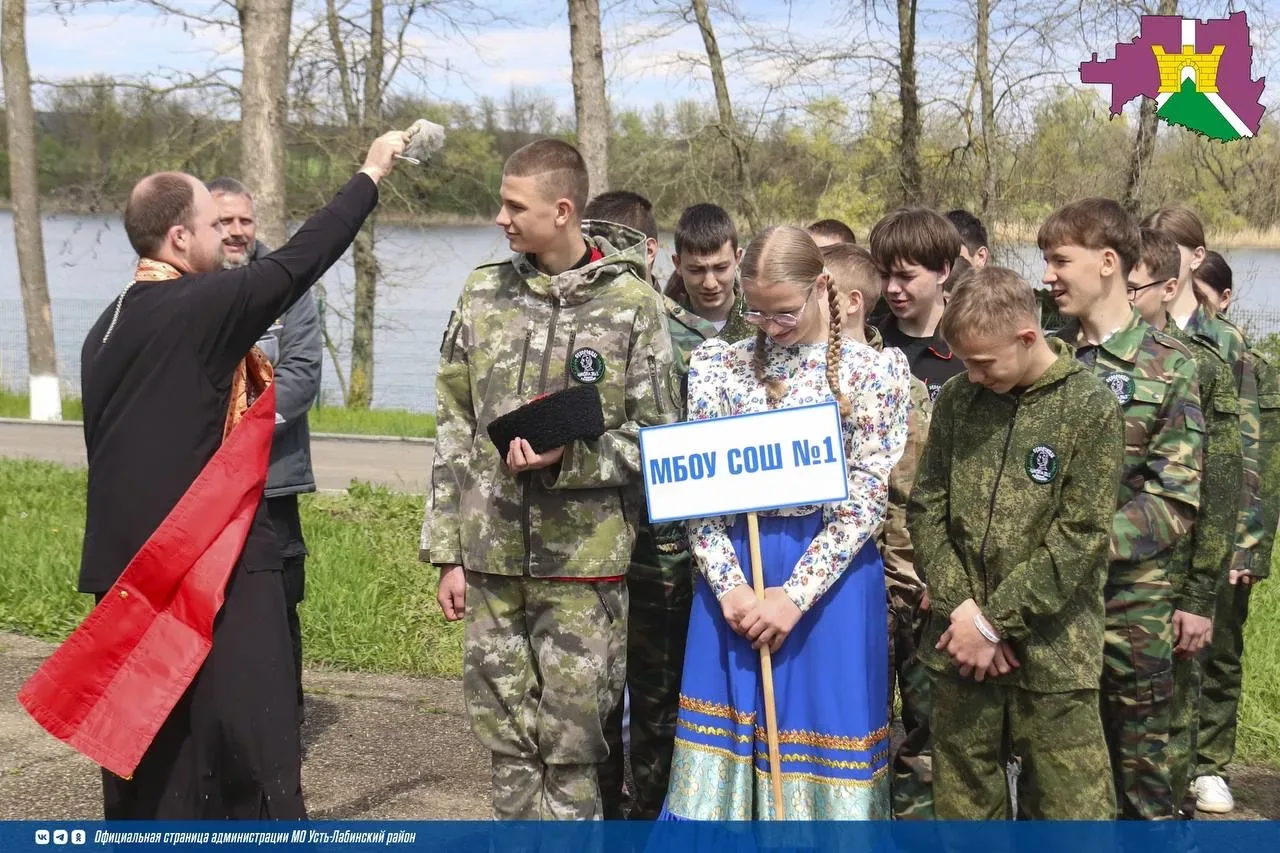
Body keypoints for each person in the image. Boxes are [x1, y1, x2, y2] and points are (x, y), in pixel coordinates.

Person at [18, 132, 407, 819]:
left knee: (151, 758)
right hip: (207, 565)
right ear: (178, 238)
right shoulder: (201, 306)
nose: (225, 239)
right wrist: (371, 173)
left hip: (128, 572)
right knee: (252, 750)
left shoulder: (107, 323)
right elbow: (301, 260)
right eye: (210, 226)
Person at [420, 140, 680, 820]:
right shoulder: (483, 293)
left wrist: (570, 459)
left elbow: (661, 443)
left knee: (571, 752)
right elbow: (452, 427)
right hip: (491, 560)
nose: (500, 218)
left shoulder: (632, 305)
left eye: (515, 206)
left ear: (562, 211)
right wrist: (448, 551)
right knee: (507, 747)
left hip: (582, 570)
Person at [659, 225, 910, 820]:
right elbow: (695, 491)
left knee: (823, 747)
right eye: (756, 313)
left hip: (829, 582)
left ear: (822, 287)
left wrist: (794, 597)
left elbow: (867, 497)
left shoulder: (873, 374)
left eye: (784, 313)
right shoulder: (717, 366)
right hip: (734, 581)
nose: (770, 328)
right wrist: (731, 589)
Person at [909, 267, 1123, 819]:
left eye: (984, 362)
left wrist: (995, 622)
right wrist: (964, 613)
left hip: (1054, 653)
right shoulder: (959, 399)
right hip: (959, 648)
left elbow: (1080, 536)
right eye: (965, 362)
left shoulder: (1088, 406)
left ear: (1028, 337)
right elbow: (927, 508)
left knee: (1071, 812)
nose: (974, 375)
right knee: (964, 808)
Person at [1043, 197, 1204, 820]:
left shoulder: (1169, 366)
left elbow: (1172, 499)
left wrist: (1074, 548)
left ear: (1108, 262)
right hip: (1050, 608)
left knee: (1142, 783)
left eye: (1061, 260)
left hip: (1129, 609)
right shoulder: (1046, 360)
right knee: (1055, 782)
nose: (1048, 276)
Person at [581, 189, 715, 819]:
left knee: (661, 709)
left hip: (665, 553)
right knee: (595, 704)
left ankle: (653, 822)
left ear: (649, 253)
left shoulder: (687, 336)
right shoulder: (575, 327)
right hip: (591, 545)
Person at [1128, 227, 1243, 816]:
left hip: (1170, 584)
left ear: (1167, 288)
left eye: (1134, 288)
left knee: (1166, 742)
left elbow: (1220, 490)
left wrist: (1199, 596)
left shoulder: (1199, 367)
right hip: (1098, 588)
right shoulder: (1073, 358)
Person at [209, 176, 324, 721]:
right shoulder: (187, 284)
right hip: (200, 485)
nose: (237, 231)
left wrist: (237, 432)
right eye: (224, 221)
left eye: (245, 220)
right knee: (209, 606)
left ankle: (283, 723)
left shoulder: (287, 285)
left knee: (279, 605)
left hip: (272, 480)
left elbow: (299, 376)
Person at [867, 206, 964, 819]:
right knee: (862, 721)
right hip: (865, 569)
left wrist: (948, 573)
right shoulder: (864, 345)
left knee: (933, 732)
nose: (894, 290)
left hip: (935, 574)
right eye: (885, 276)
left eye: (907, 276)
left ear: (944, 270)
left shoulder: (968, 350)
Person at [821, 242, 931, 717]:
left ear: (852, 302)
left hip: (889, 583)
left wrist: (900, 587)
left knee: (908, 718)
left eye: (817, 291)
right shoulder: (803, 376)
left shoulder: (897, 382)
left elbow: (909, 494)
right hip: (828, 580)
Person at [1186, 249, 1277, 813]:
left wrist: (1250, 545)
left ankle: (1210, 763)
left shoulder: (1238, 354)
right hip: (1167, 530)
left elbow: (1259, 457)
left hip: (1226, 529)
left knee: (1219, 650)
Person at [663, 203, 752, 342]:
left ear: (737, 258)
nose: (710, 284)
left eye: (720, 268)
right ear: (677, 264)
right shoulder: (662, 330)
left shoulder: (764, 326)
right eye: (696, 270)